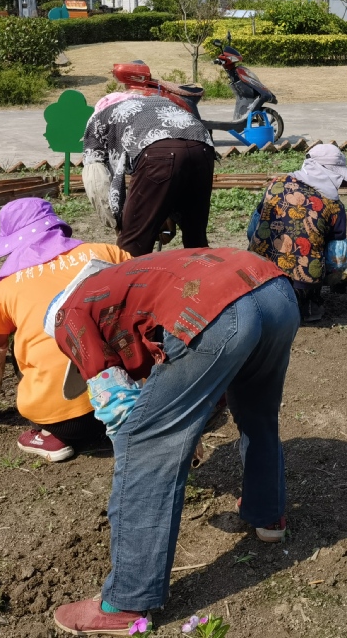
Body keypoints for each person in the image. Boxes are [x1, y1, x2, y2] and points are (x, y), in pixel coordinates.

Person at [48, 248, 299, 635]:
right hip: (275, 291)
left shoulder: (70, 315)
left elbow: (116, 404)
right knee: (257, 412)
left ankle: (125, 601)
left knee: (145, 443)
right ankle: (268, 516)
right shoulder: (129, 282)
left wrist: (155, 440)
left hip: (219, 309)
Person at [0, 198, 130, 462]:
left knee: (12, 340)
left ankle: (52, 438)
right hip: (132, 398)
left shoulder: (8, 287)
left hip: (68, 420)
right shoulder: (108, 253)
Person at [81, 92, 216, 256]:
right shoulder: (155, 101)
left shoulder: (98, 119)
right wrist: (163, 213)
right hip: (202, 146)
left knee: (133, 243)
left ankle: (129, 280)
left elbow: (96, 181)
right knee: (195, 235)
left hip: (158, 153)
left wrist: (117, 222)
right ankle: (205, 277)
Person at [247, 143, 347, 322]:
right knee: (318, 259)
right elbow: (337, 260)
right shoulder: (335, 206)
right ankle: (307, 305)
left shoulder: (276, 184)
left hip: (260, 275)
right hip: (303, 283)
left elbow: (253, 229)